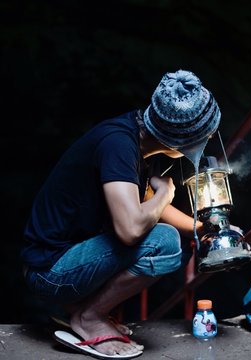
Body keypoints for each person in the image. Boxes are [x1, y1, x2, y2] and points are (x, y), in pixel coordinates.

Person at [20, 69, 222, 359]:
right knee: (164, 242)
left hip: (66, 259)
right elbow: (130, 228)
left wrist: (202, 229)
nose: (209, 140)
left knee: (160, 230)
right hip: (49, 271)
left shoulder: (139, 142)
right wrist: (167, 191)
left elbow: (152, 209)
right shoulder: (118, 145)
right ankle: (89, 317)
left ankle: (82, 309)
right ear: (181, 141)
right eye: (205, 136)